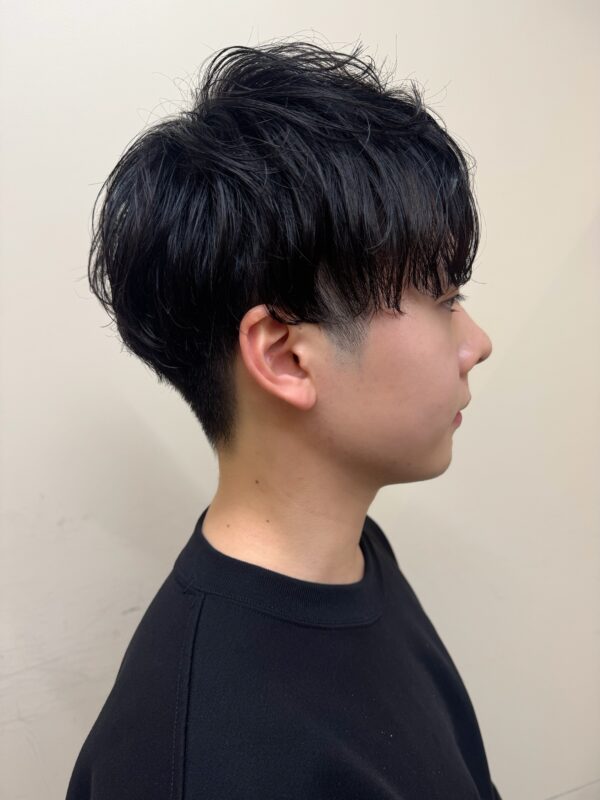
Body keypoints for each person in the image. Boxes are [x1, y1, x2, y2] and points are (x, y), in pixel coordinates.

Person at [66, 38, 500, 799]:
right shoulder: (201, 763)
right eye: (443, 299)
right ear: (286, 356)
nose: (477, 344)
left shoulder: (354, 555)